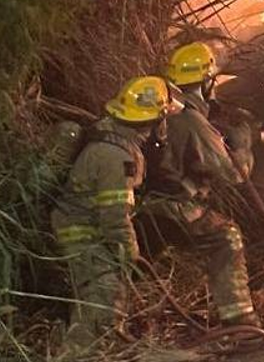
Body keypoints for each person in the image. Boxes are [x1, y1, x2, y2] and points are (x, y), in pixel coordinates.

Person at [50, 75, 177, 351]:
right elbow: (114, 217)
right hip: (80, 229)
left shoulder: (112, 137)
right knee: (104, 291)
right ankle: (79, 353)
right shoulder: (118, 158)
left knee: (107, 291)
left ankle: (101, 344)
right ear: (153, 121)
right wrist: (129, 253)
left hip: (83, 222)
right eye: (163, 120)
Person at [143, 41, 260, 327]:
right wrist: (243, 143)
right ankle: (240, 321)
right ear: (207, 81)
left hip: (141, 207)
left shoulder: (164, 108)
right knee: (225, 236)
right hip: (171, 207)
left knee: (138, 260)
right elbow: (233, 175)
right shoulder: (192, 121)